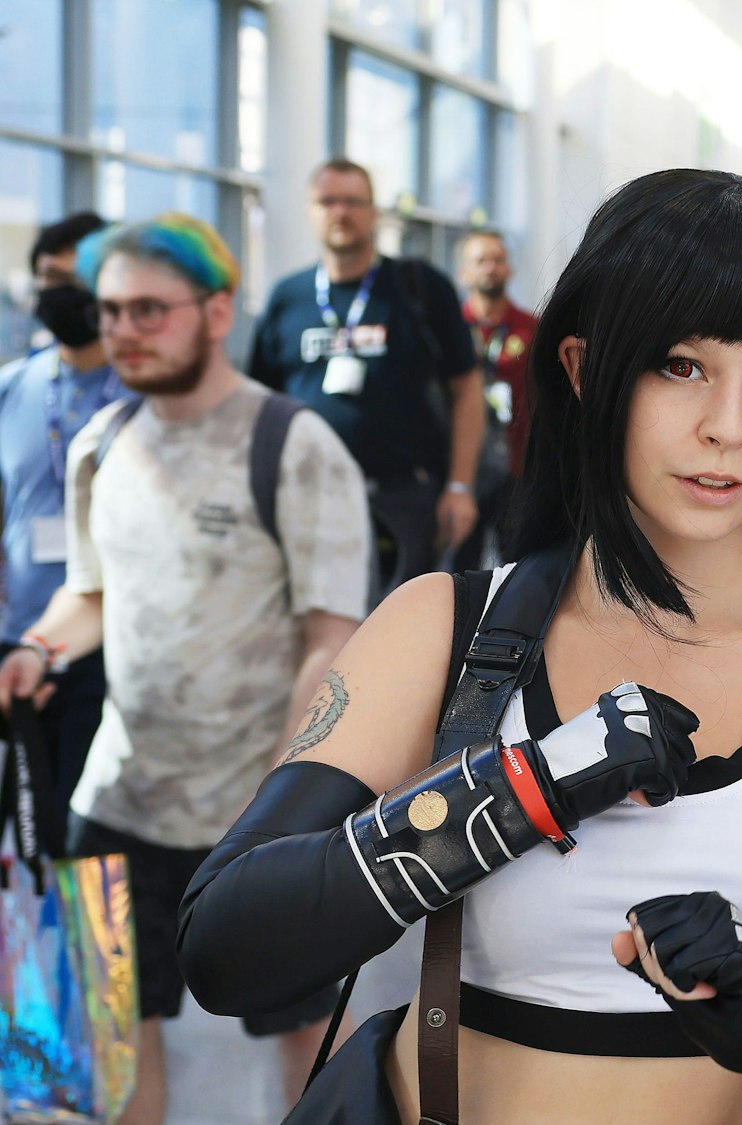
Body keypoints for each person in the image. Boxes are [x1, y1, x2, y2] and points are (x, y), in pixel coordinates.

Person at [177, 171, 742, 1123]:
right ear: (582, 366)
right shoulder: (443, 628)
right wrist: (525, 788)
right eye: (681, 365)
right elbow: (228, 944)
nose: (727, 427)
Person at [0, 214, 370, 1125]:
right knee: (114, 1048)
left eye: (149, 310)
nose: (124, 329)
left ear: (216, 310)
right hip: (117, 803)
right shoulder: (101, 445)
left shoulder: (294, 444)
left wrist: (294, 790)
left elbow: (333, 631)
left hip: (261, 821)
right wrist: (39, 647)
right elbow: (90, 595)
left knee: (311, 1045)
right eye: (112, 309)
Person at [250, 157, 484, 599]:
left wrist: (459, 485)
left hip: (403, 498)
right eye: (328, 201)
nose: (342, 212)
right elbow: (262, 401)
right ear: (310, 211)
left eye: (354, 202)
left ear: (374, 212)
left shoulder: (420, 288)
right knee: (316, 617)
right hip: (309, 495)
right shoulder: (287, 297)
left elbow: (466, 389)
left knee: (401, 626)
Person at [0, 212, 133, 854]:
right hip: (25, 639)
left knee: (92, 834)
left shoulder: (141, 395)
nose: (62, 293)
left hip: (114, 644)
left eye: (76, 280)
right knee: (29, 824)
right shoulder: (14, 387)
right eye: (49, 278)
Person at [455, 229, 538, 569]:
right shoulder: (451, 331)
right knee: (460, 570)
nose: (490, 267)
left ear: (510, 270)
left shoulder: (532, 329)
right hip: (464, 474)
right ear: (464, 272)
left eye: (498, 260)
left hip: (518, 470)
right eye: (481, 261)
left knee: (519, 567)